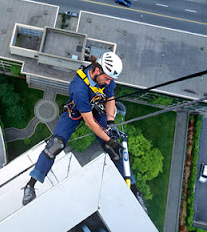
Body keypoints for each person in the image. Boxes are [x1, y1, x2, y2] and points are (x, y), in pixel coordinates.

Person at [22, 52, 147, 212]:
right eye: (107, 78)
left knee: (115, 150)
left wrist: (110, 123)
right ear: (96, 71)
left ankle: (135, 193)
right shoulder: (79, 87)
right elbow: (89, 122)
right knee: (55, 145)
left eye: (110, 79)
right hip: (76, 111)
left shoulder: (106, 77)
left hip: (96, 109)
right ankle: (30, 185)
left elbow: (110, 98)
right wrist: (109, 140)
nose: (109, 82)